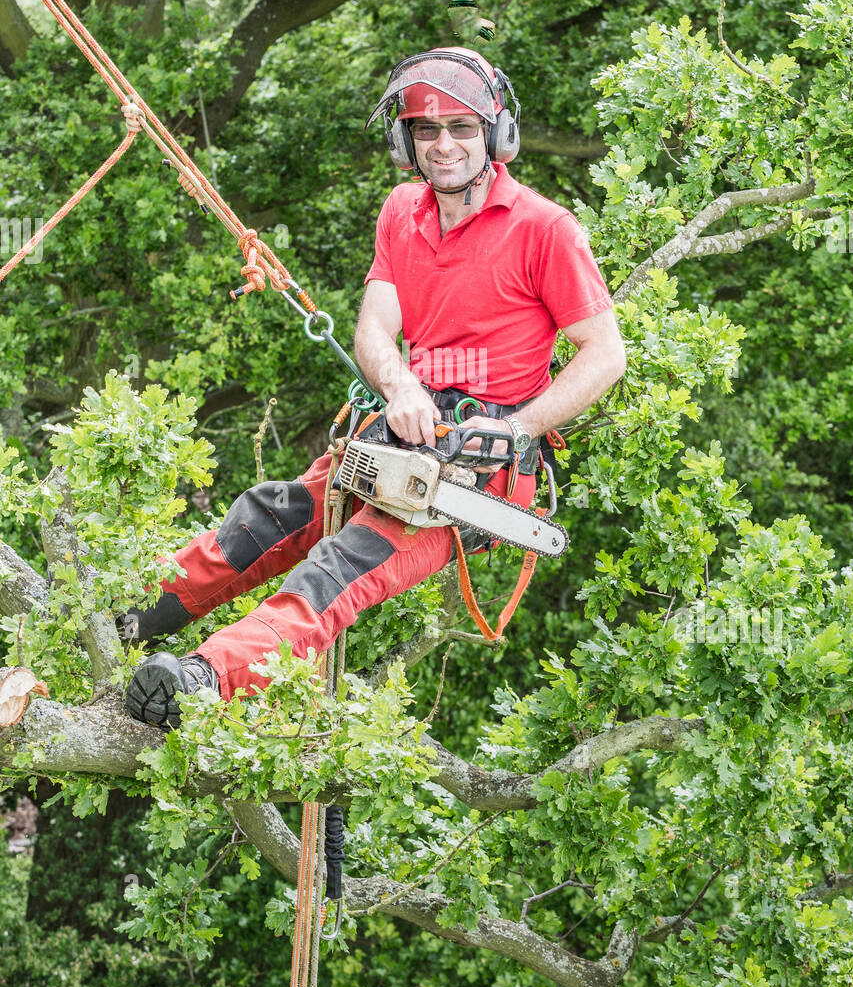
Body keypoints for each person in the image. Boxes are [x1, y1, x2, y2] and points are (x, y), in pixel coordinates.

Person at [122, 46, 626, 729]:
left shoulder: (545, 229)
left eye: (462, 127)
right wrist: (401, 388)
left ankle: (204, 680)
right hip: (399, 435)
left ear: (496, 133)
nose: (444, 144)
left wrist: (519, 429)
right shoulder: (402, 211)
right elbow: (375, 330)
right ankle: (125, 618)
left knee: (340, 566)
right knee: (267, 515)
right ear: (405, 141)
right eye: (426, 129)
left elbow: (604, 355)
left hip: (478, 471)